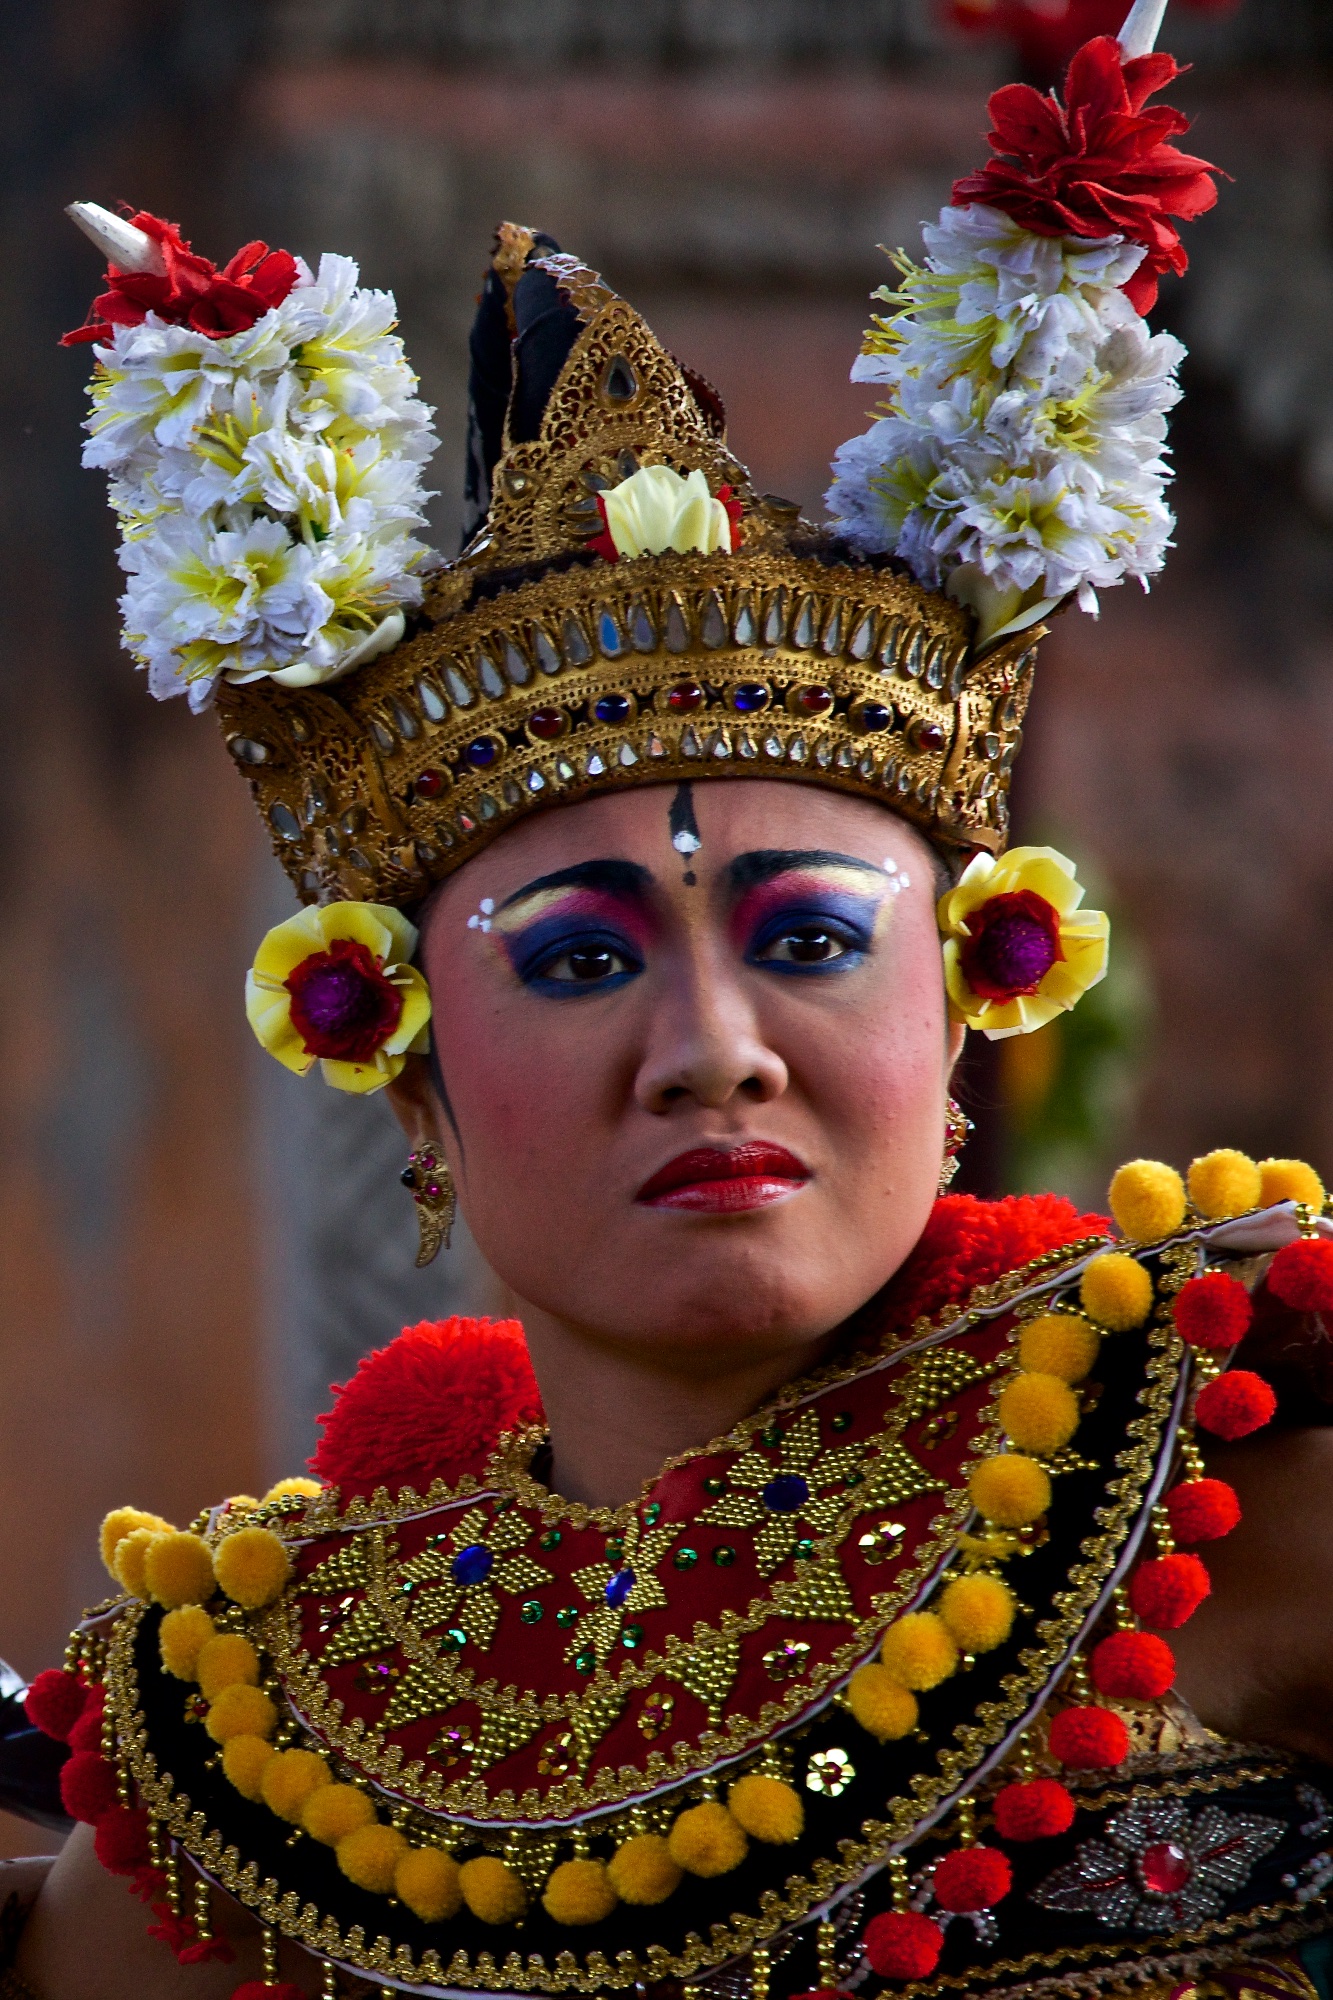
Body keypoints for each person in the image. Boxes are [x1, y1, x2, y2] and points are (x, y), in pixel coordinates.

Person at [6, 6, 1333, 1996]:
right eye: (575, 958)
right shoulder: (284, 1740)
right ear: (411, 1086)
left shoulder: (1218, 1468)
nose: (713, 1043)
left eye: (804, 939)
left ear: (969, 1005)